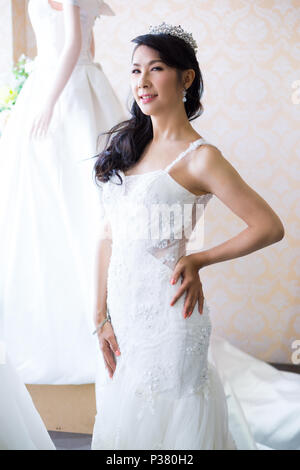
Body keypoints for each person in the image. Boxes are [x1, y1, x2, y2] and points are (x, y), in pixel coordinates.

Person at [90, 23, 288, 450]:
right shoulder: (127, 148)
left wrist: (199, 259)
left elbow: (269, 227)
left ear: (186, 77)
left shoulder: (201, 158)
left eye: (155, 68)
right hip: (124, 314)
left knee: (175, 424)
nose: (142, 81)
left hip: (171, 316)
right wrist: (100, 316)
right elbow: (107, 236)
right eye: (135, 70)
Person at [0, 0, 126, 384]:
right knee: (42, 198)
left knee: (86, 197)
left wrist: (49, 101)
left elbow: (75, 44)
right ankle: (55, 326)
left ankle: (100, 318)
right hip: (63, 82)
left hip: (64, 89)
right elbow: (89, 47)